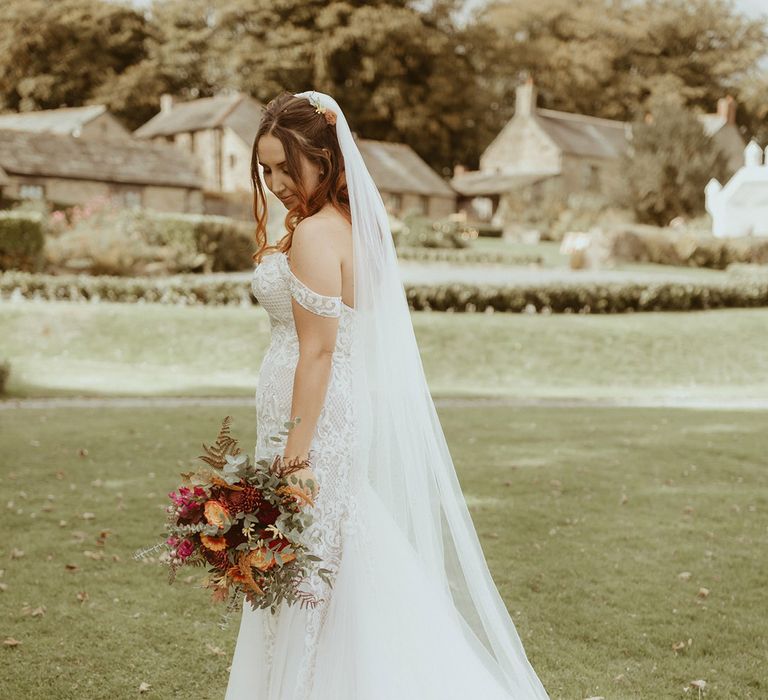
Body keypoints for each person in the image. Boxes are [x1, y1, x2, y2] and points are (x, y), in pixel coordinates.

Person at [224, 90, 551, 700]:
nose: (274, 184)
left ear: (324, 160)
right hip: (315, 411)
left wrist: (293, 462)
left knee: (311, 560)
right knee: (330, 556)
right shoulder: (340, 227)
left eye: (285, 168)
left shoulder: (319, 235)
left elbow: (318, 352)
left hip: (311, 420)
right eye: (265, 169)